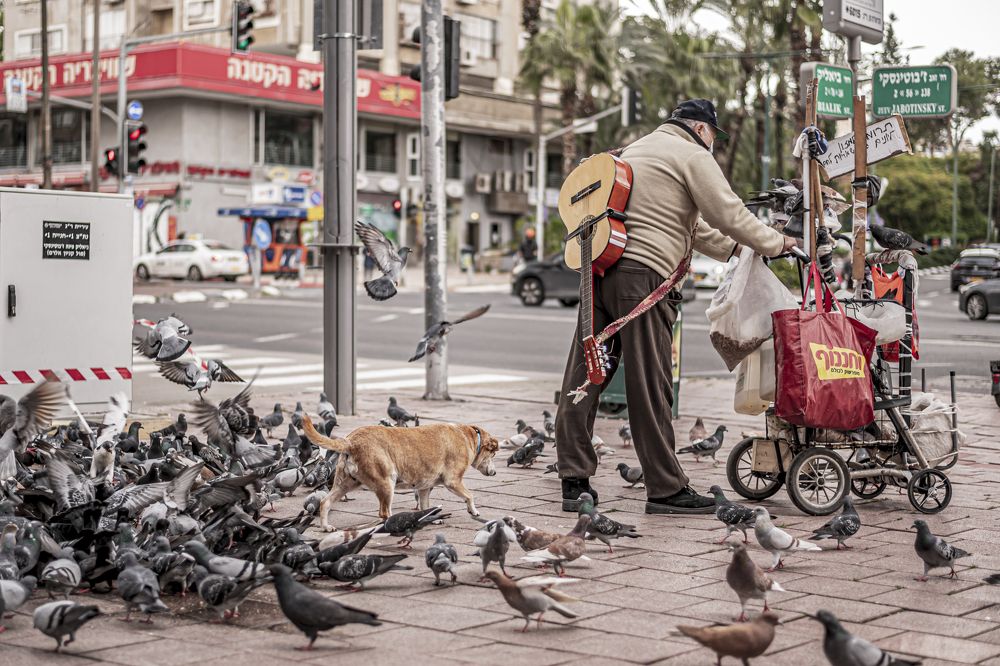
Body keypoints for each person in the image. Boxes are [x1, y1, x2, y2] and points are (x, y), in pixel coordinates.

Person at [555, 99, 796, 515]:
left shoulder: (639, 150)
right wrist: (774, 243)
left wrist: (737, 250)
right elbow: (729, 212)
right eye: (714, 138)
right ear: (703, 130)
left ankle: (574, 479)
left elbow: (692, 226)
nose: (713, 146)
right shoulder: (691, 154)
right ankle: (665, 489)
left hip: (600, 268)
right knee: (651, 385)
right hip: (644, 277)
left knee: (587, 371)